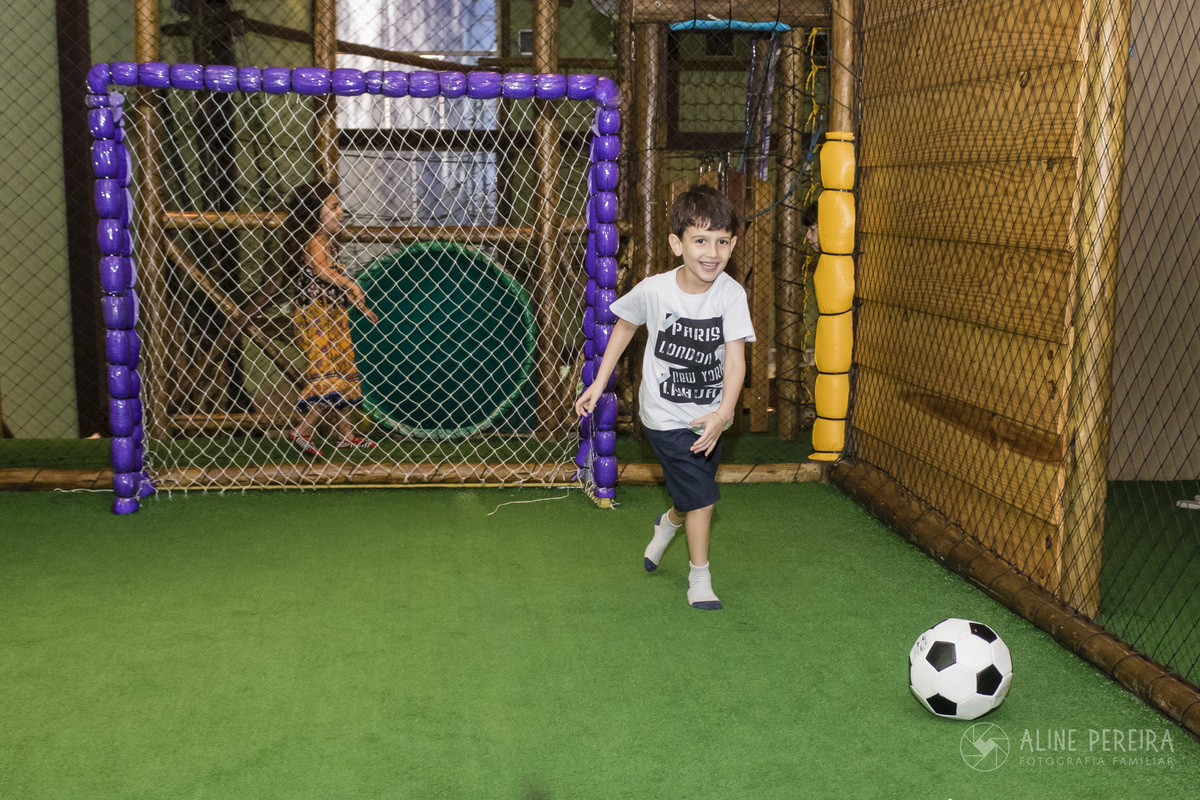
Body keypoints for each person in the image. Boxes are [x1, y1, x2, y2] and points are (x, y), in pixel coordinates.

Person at [576, 185, 755, 610]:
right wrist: (599, 382)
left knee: (691, 494)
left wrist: (723, 415)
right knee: (704, 498)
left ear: (732, 245)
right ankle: (700, 578)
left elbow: (735, 363)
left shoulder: (731, 294)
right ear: (677, 244)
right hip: (663, 416)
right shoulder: (655, 290)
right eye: (700, 240)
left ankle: (667, 524)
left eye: (722, 241)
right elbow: (625, 326)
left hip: (710, 417)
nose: (712, 252)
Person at [285, 181, 379, 457]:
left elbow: (334, 284)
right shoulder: (315, 240)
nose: (340, 212)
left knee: (343, 369)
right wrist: (351, 284)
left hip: (334, 315)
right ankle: (303, 429)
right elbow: (322, 270)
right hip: (317, 317)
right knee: (328, 374)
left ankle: (345, 434)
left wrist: (360, 305)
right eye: (334, 206)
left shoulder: (328, 242)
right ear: (314, 212)